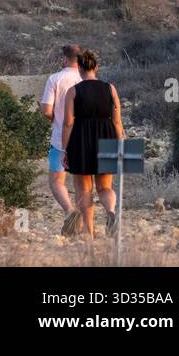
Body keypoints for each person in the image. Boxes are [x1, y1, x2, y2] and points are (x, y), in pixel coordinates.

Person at [61, 50, 123, 239]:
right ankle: (111, 211)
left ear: (79, 68)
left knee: (84, 189)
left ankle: (89, 232)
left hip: (81, 139)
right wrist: (120, 144)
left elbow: (68, 123)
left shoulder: (73, 91)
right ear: (96, 68)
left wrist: (65, 150)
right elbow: (117, 121)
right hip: (107, 136)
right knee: (105, 187)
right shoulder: (110, 88)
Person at [40, 44, 84, 236]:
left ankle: (69, 210)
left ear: (64, 59)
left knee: (57, 181)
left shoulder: (55, 79)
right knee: (82, 182)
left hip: (60, 138)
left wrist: (53, 118)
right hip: (84, 138)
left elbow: (47, 110)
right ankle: (85, 225)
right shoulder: (87, 78)